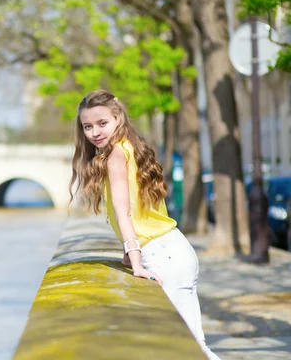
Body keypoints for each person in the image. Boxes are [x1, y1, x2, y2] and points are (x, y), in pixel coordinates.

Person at [69, 89, 220, 360]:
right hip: (174, 248)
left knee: (189, 349)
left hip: (163, 255)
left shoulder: (116, 155)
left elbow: (124, 212)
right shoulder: (130, 147)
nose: (94, 132)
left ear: (117, 118)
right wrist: (130, 253)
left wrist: (135, 261)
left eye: (102, 123)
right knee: (193, 346)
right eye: (87, 126)